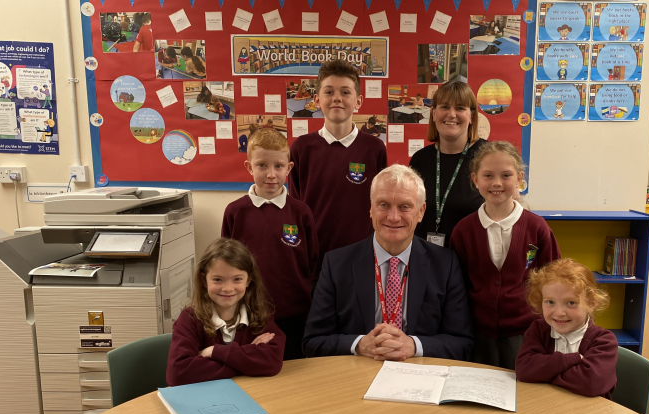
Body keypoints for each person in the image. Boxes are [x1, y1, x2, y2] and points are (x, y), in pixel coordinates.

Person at [303, 165, 473, 361]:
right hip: (355, 375)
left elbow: (462, 343)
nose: (393, 217)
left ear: (421, 211)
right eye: (383, 205)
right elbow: (312, 342)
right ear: (371, 208)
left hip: (420, 375)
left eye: (404, 206)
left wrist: (414, 345)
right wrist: (359, 345)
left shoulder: (445, 265)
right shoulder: (336, 264)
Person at [450, 141, 560, 370]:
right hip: (476, 334)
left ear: (519, 178)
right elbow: (456, 286)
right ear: (475, 179)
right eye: (488, 175)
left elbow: (554, 279)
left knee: (524, 395)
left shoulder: (537, 228)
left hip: (527, 334)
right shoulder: (463, 230)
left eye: (506, 175)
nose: (497, 183)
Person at [222, 128, 318, 360]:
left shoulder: (301, 212)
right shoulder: (235, 212)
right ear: (249, 167)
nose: (271, 174)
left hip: (296, 317)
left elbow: (313, 265)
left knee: (296, 378)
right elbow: (225, 267)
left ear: (289, 168)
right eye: (262, 165)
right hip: (249, 316)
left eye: (278, 166)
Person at [289, 59, 388, 270]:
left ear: (358, 101)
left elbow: (380, 205)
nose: (337, 98)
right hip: (314, 260)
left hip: (362, 260)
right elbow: (294, 207)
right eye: (329, 92)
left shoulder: (375, 148)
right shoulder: (301, 148)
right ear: (316, 99)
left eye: (345, 92)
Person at [167, 238, 285, 386]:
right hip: (204, 402)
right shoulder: (189, 319)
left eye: (237, 279)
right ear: (204, 280)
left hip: (250, 396)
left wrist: (215, 352)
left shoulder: (260, 315)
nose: (228, 288)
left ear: (248, 280)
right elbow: (178, 374)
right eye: (218, 280)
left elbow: (273, 363)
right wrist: (247, 361)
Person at [515, 258, 618, 398]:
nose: (559, 313)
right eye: (550, 302)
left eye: (571, 303)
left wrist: (543, 373)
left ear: (592, 303)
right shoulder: (539, 329)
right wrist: (572, 360)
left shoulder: (604, 340)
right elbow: (524, 370)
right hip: (547, 407)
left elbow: (591, 384)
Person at [410, 81, 486, 248]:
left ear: (471, 116)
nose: (451, 114)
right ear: (434, 113)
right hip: (426, 259)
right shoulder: (419, 160)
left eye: (460, 108)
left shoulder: (488, 156)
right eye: (444, 107)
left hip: (472, 262)